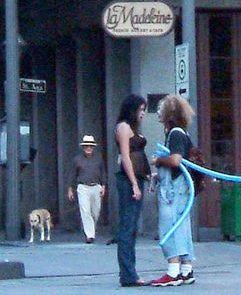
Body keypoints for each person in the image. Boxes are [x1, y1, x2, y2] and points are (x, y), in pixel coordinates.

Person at [150, 95, 195, 287]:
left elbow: (175, 161)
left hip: (173, 190)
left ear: (169, 113)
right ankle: (186, 269)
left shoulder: (175, 134)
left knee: (170, 226)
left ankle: (173, 271)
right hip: (180, 187)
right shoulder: (181, 133)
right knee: (182, 226)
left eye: (161, 108)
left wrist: (158, 161)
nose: (158, 111)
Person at [115, 94, 151, 287]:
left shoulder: (131, 128)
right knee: (128, 226)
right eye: (141, 110)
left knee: (131, 226)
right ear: (132, 110)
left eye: (144, 110)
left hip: (137, 177)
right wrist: (134, 184)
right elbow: (126, 157)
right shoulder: (123, 127)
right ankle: (128, 274)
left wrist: (146, 176)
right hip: (129, 180)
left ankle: (130, 272)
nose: (143, 114)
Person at [68, 135, 107, 244]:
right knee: (85, 211)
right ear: (83, 147)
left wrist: (104, 186)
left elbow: (103, 172)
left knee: (95, 211)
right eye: (86, 146)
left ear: (93, 147)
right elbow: (72, 174)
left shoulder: (98, 158)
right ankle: (89, 235)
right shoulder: (77, 159)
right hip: (83, 187)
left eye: (90, 146)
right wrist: (70, 188)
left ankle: (92, 229)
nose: (88, 148)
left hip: (96, 186)